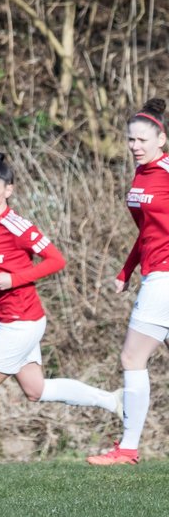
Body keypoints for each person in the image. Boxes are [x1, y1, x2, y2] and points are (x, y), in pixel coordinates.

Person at [0, 152, 121, 465]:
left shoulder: (19, 227)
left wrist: (15, 279)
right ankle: (112, 400)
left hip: (21, 320)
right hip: (10, 319)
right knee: (35, 389)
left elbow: (56, 260)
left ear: (9, 190)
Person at [89, 99, 169, 465]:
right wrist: (126, 271)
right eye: (130, 139)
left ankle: (128, 448)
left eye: (142, 140)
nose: (135, 146)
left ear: (161, 139)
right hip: (154, 272)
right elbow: (148, 234)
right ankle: (129, 448)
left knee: (131, 356)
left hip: (165, 278)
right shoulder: (140, 174)